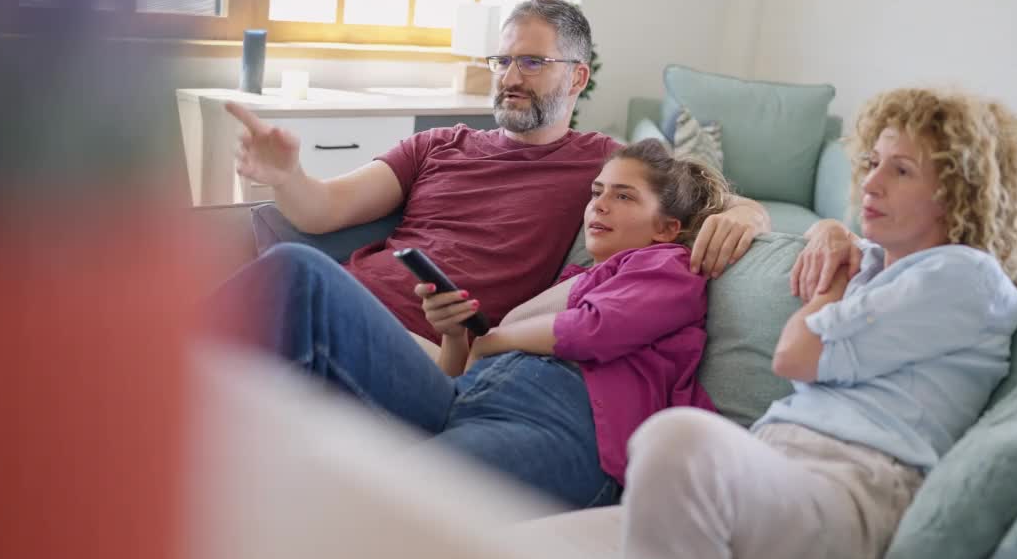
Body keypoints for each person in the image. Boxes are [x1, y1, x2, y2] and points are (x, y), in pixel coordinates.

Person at [618, 87, 1017, 559]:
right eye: (872, 162)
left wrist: (835, 280)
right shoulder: (878, 262)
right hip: (779, 463)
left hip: (855, 488)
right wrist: (830, 231)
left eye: (901, 170)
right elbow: (829, 240)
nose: (870, 183)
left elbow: (796, 355)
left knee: (677, 437)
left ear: (960, 191)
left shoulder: (965, 274)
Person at [223, 0, 770, 355]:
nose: (510, 76)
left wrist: (747, 212)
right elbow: (323, 209)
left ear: (577, 78)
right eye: (503, 61)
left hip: (424, 347)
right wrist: (287, 175)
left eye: (532, 62)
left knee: (288, 271)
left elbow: (689, 194)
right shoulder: (436, 146)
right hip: (342, 300)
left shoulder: (602, 165)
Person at [208, 140, 729, 508]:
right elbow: (464, 371)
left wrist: (492, 337)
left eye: (623, 196)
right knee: (301, 269)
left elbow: (595, 330)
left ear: (667, 228)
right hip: (470, 401)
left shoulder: (668, 267)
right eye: (597, 192)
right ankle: (148, 382)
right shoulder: (577, 275)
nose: (599, 205)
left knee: (371, 497)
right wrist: (457, 337)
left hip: (564, 431)